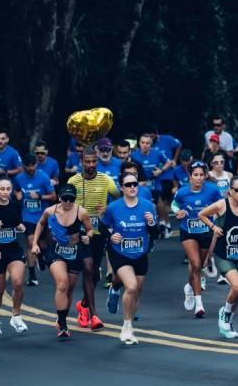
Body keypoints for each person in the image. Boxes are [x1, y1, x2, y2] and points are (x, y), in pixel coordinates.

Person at [64, 145, 118, 330]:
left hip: (98, 232)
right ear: (81, 162)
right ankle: (94, 316)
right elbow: (64, 204)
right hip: (79, 233)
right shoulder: (73, 180)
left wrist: (108, 209)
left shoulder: (106, 180)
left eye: (94, 161)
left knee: (94, 273)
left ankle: (84, 305)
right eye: (88, 162)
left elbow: (121, 197)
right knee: (87, 268)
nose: (91, 164)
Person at [101, 172, 157, 345]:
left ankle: (115, 287)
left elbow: (155, 234)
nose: (133, 187)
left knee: (136, 291)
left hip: (140, 253)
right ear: (121, 187)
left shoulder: (147, 205)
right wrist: (111, 237)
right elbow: (103, 227)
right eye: (128, 185)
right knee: (131, 287)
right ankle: (126, 326)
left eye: (135, 184)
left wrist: (152, 224)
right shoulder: (114, 208)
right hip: (119, 252)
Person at [32, 184, 95, 338]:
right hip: (56, 251)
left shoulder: (82, 212)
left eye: (71, 199)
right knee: (62, 284)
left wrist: (88, 236)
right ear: (59, 198)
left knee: (69, 290)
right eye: (65, 198)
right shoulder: (50, 211)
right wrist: (34, 243)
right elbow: (40, 223)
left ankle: (62, 318)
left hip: (74, 252)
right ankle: (63, 325)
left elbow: (90, 229)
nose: (68, 202)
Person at [199, 176, 238, 339]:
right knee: (237, 286)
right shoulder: (222, 205)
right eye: (237, 189)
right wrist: (214, 227)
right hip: (224, 254)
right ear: (230, 191)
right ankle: (224, 314)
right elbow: (201, 214)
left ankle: (228, 321)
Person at [173, 161, 222, 318]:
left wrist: (216, 215)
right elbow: (174, 205)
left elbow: (221, 205)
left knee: (199, 266)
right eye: (195, 175)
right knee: (194, 263)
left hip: (206, 230)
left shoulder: (213, 190)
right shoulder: (182, 192)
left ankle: (189, 287)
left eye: (202, 175)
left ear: (206, 176)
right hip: (188, 230)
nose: (199, 178)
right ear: (190, 177)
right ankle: (199, 305)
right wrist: (178, 212)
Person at [0, 178, 28, 335]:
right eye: (2, 189)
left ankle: (16, 316)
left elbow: (18, 223)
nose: (5, 192)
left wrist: (20, 226)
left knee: (18, 282)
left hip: (13, 249)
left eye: (8, 189)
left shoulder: (15, 205)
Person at [14, 153, 56, 287]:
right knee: (32, 243)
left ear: (36, 165)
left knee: (43, 244)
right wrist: (18, 196)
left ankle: (41, 255)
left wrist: (39, 197)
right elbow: (15, 191)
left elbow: (53, 196)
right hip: (27, 217)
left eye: (33, 165)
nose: (31, 168)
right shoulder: (19, 178)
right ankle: (32, 276)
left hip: (42, 216)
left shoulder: (43, 177)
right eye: (28, 166)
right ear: (24, 166)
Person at [131, 133, 173, 237]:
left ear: (151, 144)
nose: (145, 145)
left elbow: (168, 162)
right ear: (139, 144)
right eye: (143, 143)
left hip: (154, 183)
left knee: (159, 200)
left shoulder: (157, 153)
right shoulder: (133, 155)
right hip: (140, 184)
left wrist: (161, 170)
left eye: (147, 143)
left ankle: (163, 224)